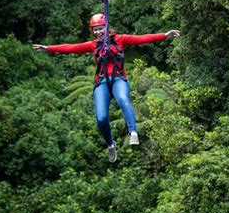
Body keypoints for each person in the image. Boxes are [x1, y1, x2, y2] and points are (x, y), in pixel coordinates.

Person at [33, 14, 180, 162]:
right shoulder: (93, 45)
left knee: (123, 99)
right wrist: (48, 48)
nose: (98, 32)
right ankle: (111, 144)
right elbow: (71, 47)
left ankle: (133, 132)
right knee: (101, 118)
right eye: (95, 30)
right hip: (101, 82)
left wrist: (164, 36)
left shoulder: (120, 39)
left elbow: (141, 38)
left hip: (118, 79)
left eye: (100, 28)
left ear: (106, 27)